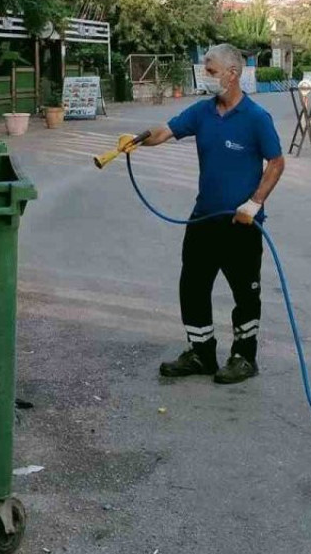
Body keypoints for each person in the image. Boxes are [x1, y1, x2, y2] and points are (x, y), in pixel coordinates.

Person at [120, 44, 285, 384]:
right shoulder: (202, 112)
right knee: (193, 286)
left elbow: (277, 162)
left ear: (232, 74)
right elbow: (165, 131)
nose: (205, 77)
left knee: (245, 291)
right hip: (203, 219)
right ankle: (201, 352)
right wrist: (136, 140)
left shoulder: (256, 118)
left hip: (242, 223)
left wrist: (254, 203)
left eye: (210, 71)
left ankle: (244, 357)